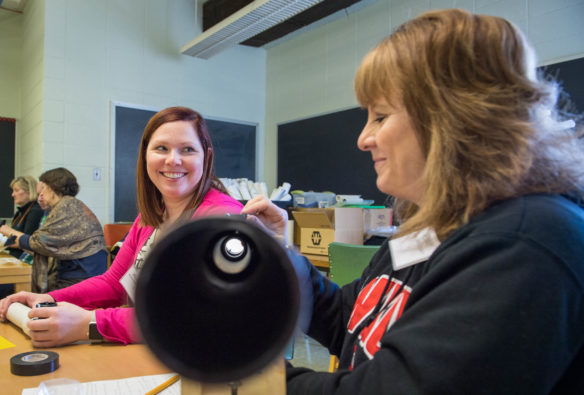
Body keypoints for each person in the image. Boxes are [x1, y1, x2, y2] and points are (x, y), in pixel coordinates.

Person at [242, 9, 584, 394]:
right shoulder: (432, 224)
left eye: (380, 116)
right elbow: (349, 321)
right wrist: (280, 256)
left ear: (451, 118)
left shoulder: (525, 243)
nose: (363, 139)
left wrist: (245, 373)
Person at [0, 106, 243, 346]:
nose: (173, 160)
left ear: (206, 155)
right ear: (145, 155)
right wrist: (48, 298)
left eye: (188, 149)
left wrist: (90, 323)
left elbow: (189, 313)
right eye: (161, 148)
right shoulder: (153, 214)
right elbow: (114, 282)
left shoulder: (221, 217)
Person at [0, 168, 108, 292]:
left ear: (52, 188)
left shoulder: (66, 207)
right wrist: (19, 241)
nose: (40, 195)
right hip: (82, 273)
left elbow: (41, 243)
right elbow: (47, 243)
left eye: (43, 189)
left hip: (80, 279)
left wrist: (9, 232)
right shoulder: (70, 205)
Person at [5, 176, 44, 259]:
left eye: (16, 190)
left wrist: (7, 234)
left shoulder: (35, 211)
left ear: (29, 191)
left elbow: (28, 242)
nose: (12, 194)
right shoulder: (20, 212)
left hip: (26, 260)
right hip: (14, 257)